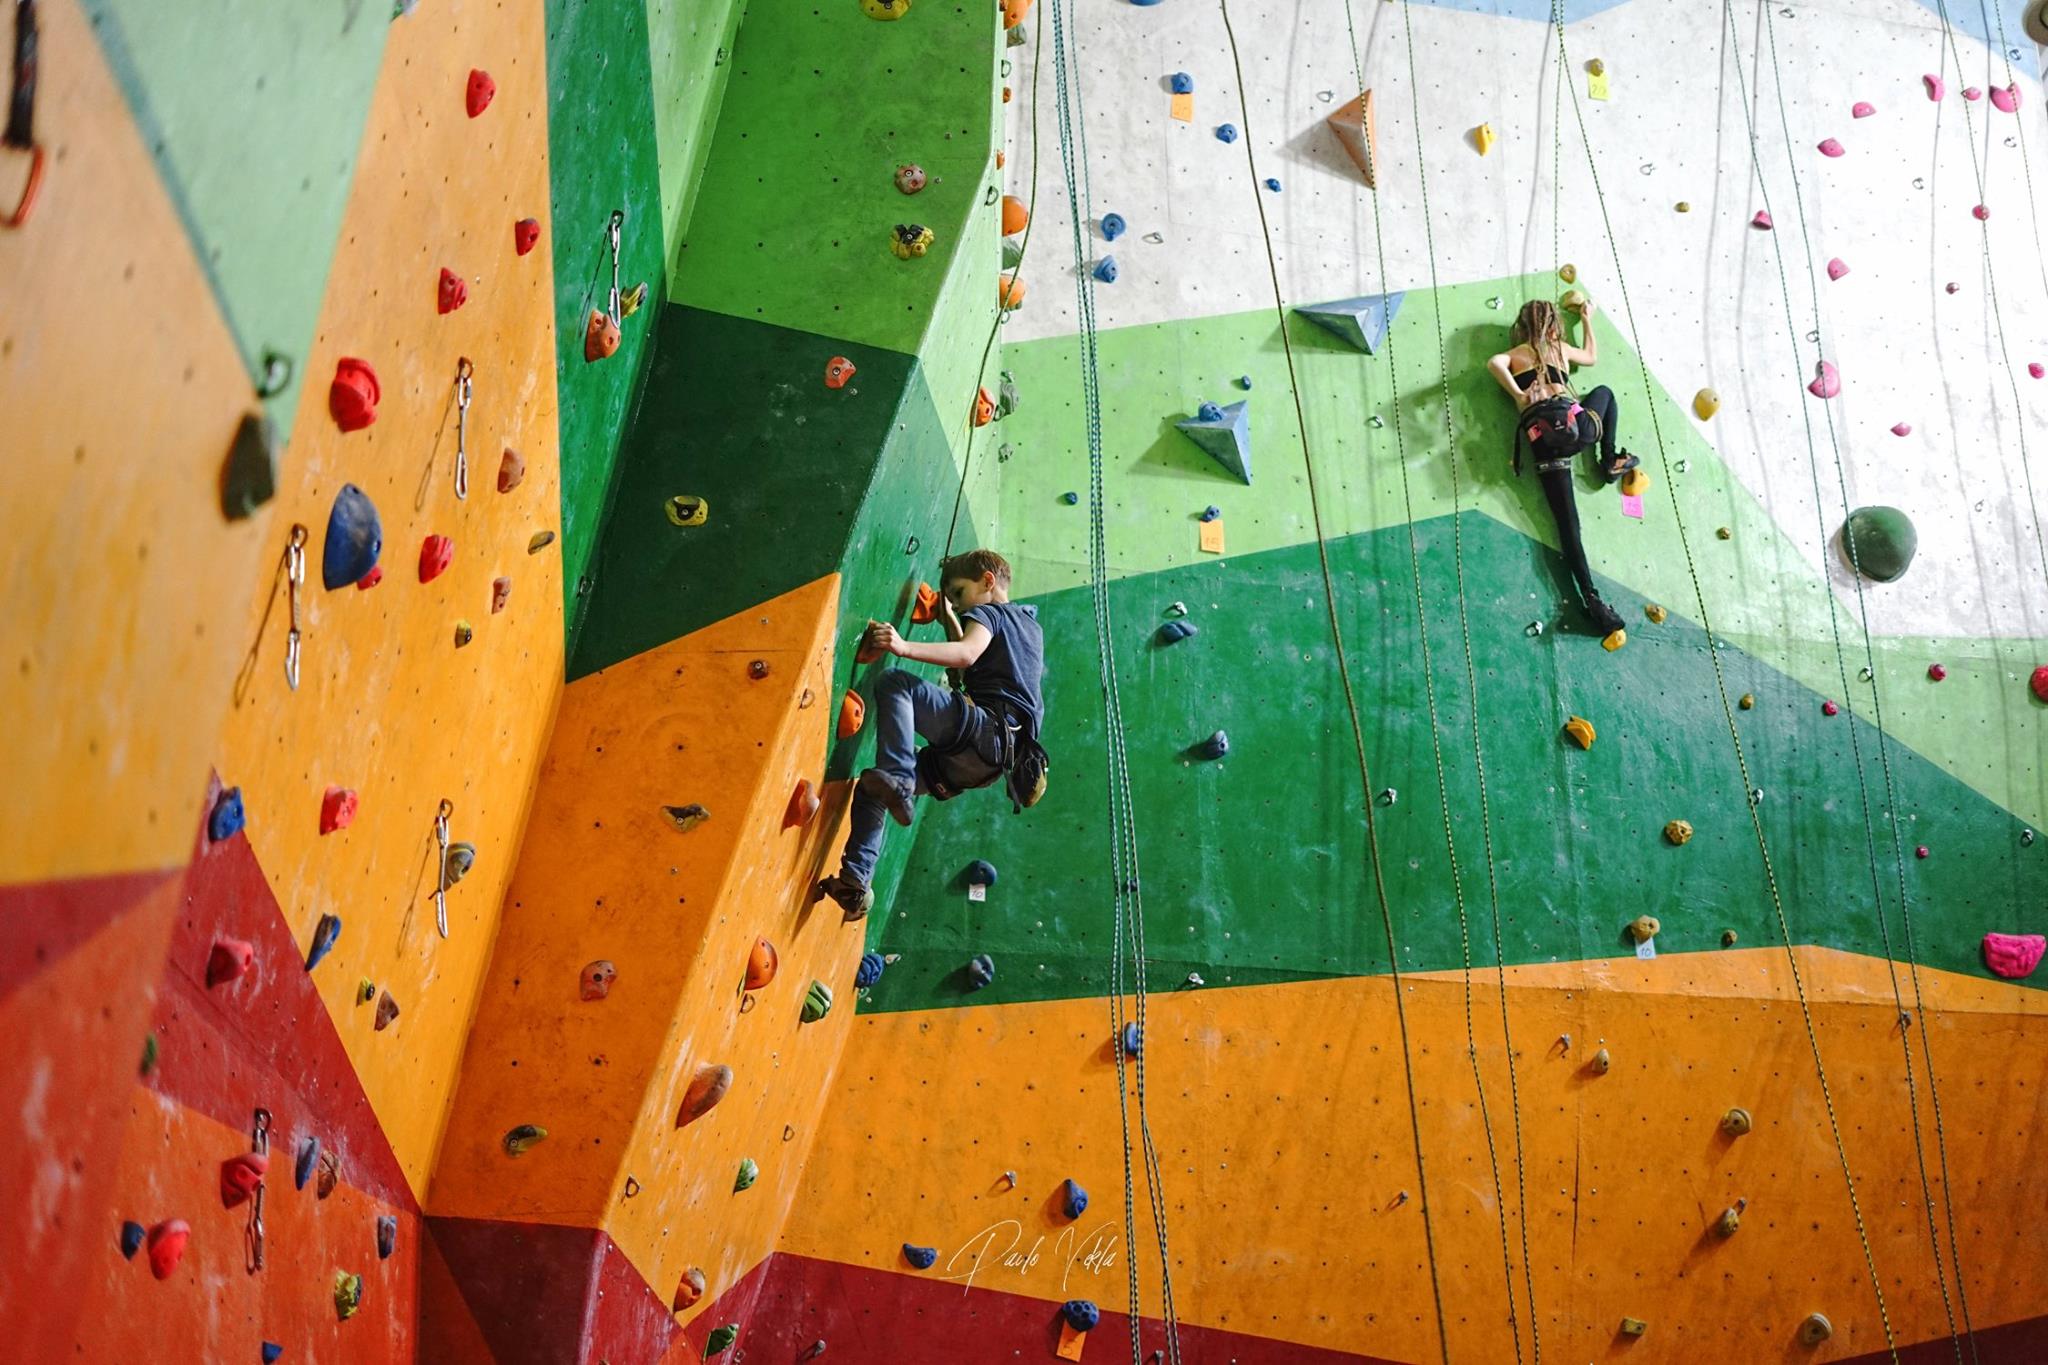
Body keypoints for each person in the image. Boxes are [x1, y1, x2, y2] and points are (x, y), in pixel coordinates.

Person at [814, 548, 1047, 921]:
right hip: (987, 764)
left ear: (987, 581)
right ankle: (855, 883)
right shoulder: (1029, 627)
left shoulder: (987, 614)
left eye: (959, 592)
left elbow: (969, 654)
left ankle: (901, 779)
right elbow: (981, 661)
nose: (958, 602)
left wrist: (903, 647)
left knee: (896, 683)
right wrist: (949, 618)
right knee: (873, 791)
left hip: (983, 731)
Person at [1486, 296, 1636, 635]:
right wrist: (1586, 318)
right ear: (1554, 326)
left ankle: (1592, 599)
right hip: (1575, 426)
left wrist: (1517, 394)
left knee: (1568, 525)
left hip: (1542, 438)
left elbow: (1494, 363)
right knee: (1605, 394)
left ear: (1521, 327)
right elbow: (1592, 357)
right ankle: (1609, 459)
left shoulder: (1516, 354)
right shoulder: (1560, 348)